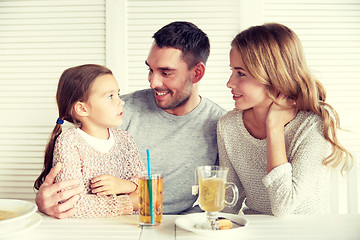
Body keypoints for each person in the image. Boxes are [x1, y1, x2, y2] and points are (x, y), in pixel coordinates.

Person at [35, 22, 226, 218]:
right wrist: (45, 200)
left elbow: (224, 199)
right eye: (150, 70)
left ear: (197, 73)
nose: (153, 82)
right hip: (119, 224)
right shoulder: (117, 111)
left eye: (166, 73)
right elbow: (66, 183)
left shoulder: (221, 125)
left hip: (182, 224)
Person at [218, 23, 353, 217]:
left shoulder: (313, 125)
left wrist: (274, 127)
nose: (229, 83)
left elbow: (284, 205)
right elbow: (228, 204)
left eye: (241, 73)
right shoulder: (228, 126)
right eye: (231, 71)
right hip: (256, 232)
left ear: (273, 75)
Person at [34, 64, 146, 218]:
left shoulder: (125, 139)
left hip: (127, 227)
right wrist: (129, 202)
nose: (121, 102)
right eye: (110, 96)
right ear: (82, 109)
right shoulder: (69, 142)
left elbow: (147, 189)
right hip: (87, 229)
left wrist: (123, 185)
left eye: (118, 94)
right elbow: (71, 204)